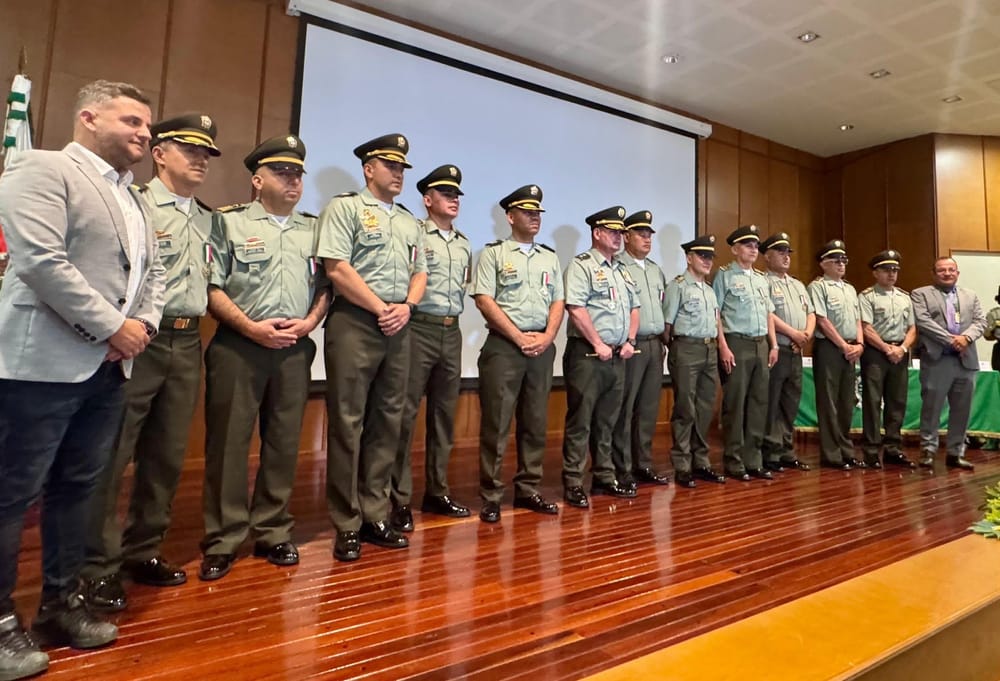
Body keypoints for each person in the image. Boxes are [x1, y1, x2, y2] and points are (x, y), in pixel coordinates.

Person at [0, 80, 164, 678]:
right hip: (39, 366)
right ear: (89, 117)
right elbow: (41, 260)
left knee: (77, 491)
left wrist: (141, 323)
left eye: (148, 125)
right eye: (132, 121)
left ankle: (59, 606)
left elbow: (154, 273)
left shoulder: (137, 198)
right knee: (11, 495)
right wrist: (113, 327)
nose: (145, 133)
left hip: (107, 370)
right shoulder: (40, 167)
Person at [83, 113, 221, 611]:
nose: (201, 159)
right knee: (113, 454)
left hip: (187, 343)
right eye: (190, 149)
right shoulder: (135, 206)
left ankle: (143, 550)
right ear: (159, 153)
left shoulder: (210, 219)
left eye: (206, 152)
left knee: (165, 455)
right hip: (137, 342)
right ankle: (95, 564)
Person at [198, 134, 329, 580]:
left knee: (283, 443)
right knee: (229, 446)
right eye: (282, 172)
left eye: (297, 174)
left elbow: (325, 289)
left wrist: (310, 323)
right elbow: (211, 286)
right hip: (239, 346)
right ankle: (224, 538)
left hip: (294, 349)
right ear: (257, 180)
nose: (293, 182)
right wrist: (250, 327)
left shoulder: (313, 230)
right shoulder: (228, 223)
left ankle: (273, 529)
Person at [318, 133, 426, 562]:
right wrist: (384, 307)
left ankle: (375, 513)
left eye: (402, 168)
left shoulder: (408, 222)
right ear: (369, 169)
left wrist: (407, 306)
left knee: (389, 422)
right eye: (391, 166)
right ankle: (346, 523)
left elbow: (420, 272)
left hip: (398, 325)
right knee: (347, 423)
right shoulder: (344, 208)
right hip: (356, 323)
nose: (398, 174)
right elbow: (336, 268)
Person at [471, 184, 564, 523]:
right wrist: (517, 337)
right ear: (510, 217)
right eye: (527, 212)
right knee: (496, 423)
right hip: (504, 347)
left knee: (535, 422)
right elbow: (484, 299)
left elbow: (558, 301)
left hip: (541, 346)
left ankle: (528, 488)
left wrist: (548, 336)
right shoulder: (494, 253)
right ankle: (492, 494)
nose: (535, 217)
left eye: (538, 212)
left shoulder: (549, 257)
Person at [389, 165, 472, 533]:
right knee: (404, 416)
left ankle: (437, 491)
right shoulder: (415, 234)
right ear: (427, 200)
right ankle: (398, 498)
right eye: (445, 194)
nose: (453, 200)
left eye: (456, 195)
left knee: (444, 417)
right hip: (417, 329)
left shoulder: (465, 243)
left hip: (450, 333)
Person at [561, 206, 640, 509]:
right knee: (581, 421)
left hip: (617, 356)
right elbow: (575, 307)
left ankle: (604, 476)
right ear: (597, 233)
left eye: (621, 232)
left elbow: (634, 307)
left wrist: (631, 340)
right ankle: (573, 481)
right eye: (613, 231)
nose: (619, 237)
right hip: (588, 354)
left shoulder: (621, 269)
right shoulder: (581, 265)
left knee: (608, 421)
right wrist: (598, 342)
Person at [713, 224, 778, 481]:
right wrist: (723, 346)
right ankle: (734, 460)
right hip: (736, 343)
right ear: (735, 249)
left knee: (758, 404)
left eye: (755, 246)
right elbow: (715, 313)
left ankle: (754, 459)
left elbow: (768, 314)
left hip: (760, 344)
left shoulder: (761, 279)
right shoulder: (724, 275)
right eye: (748, 245)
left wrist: (773, 345)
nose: (753, 250)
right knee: (736, 404)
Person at [611, 211, 670, 489]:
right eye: (640, 234)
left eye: (649, 235)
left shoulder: (656, 270)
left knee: (647, 409)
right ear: (626, 237)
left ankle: (643, 463)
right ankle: (621, 467)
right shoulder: (618, 267)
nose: (647, 239)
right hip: (630, 346)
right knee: (625, 408)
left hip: (654, 345)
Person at [911, 257, 987, 470]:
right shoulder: (920, 294)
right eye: (941, 270)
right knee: (931, 408)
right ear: (934, 274)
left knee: (962, 410)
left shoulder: (970, 295)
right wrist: (950, 340)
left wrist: (967, 338)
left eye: (951, 270)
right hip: (938, 360)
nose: (947, 273)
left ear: (957, 273)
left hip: (965, 361)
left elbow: (980, 321)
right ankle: (928, 451)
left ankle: (956, 453)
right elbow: (923, 321)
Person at [663, 235, 725, 488]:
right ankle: (682, 464)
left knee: (704, 407)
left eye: (710, 257)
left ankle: (701, 461)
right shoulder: (677, 286)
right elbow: (666, 327)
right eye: (702, 256)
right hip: (686, 349)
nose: (707, 261)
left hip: (709, 350)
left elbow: (716, 321)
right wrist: (678, 348)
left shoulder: (709, 290)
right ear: (689, 258)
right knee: (685, 408)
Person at [760, 232, 814, 472]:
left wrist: (805, 336)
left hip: (796, 350)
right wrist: (794, 333)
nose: (785, 256)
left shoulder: (798, 284)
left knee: (791, 402)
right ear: (767, 256)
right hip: (777, 348)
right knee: (771, 402)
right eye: (779, 252)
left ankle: (786, 450)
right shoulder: (764, 282)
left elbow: (811, 313)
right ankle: (770, 452)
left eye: (787, 252)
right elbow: (768, 314)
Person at [858, 250, 917, 469]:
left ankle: (893, 448)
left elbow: (912, 328)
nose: (892, 274)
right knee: (873, 402)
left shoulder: (904, 297)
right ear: (875, 273)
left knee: (897, 401)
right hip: (876, 352)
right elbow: (866, 327)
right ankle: (871, 450)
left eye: (895, 270)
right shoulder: (866, 296)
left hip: (899, 351)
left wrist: (901, 348)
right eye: (886, 270)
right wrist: (886, 349)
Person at [808, 240, 864, 470]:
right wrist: (843, 345)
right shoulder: (818, 286)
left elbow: (858, 319)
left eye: (844, 260)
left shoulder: (850, 288)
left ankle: (846, 450)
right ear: (823, 264)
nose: (841, 264)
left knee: (846, 402)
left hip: (851, 349)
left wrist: (859, 343)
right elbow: (821, 319)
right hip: (830, 348)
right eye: (836, 261)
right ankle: (831, 454)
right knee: (829, 402)